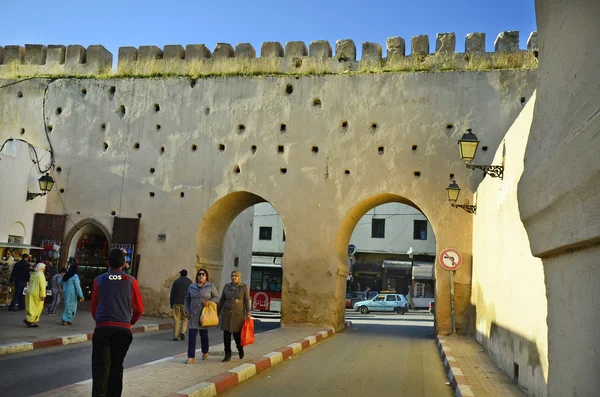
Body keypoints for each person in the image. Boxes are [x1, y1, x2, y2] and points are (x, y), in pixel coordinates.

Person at [90, 248, 143, 397]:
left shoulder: (99, 280)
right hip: (122, 330)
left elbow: (93, 306)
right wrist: (130, 322)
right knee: (116, 367)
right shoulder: (131, 281)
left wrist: (100, 320)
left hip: (102, 329)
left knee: (100, 368)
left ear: (108, 262)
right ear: (124, 263)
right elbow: (139, 308)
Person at [183, 268, 219, 363]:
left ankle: (205, 351)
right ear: (197, 276)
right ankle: (191, 357)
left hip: (204, 313)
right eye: (199, 274)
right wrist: (186, 309)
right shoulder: (191, 286)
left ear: (206, 276)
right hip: (193, 313)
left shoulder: (210, 286)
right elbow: (187, 299)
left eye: (203, 274)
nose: (201, 276)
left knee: (204, 335)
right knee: (192, 335)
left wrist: (209, 302)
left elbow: (216, 298)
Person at [217, 270, 251, 362]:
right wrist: (217, 312)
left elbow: (246, 300)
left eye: (236, 276)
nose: (234, 277)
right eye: (232, 276)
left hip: (238, 315)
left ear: (239, 277)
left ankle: (240, 349)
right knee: (226, 335)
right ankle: (227, 354)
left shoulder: (243, 287)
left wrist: (248, 312)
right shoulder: (227, 287)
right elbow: (222, 300)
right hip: (227, 314)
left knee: (237, 335)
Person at [170, 269, 192, 341]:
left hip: (176, 302)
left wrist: (171, 302)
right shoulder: (189, 282)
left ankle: (175, 336)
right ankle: (182, 332)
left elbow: (172, 292)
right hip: (185, 303)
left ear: (181, 274)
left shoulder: (176, 281)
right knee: (185, 318)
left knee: (176, 319)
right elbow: (191, 294)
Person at [60, 259, 85, 325]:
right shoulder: (75, 276)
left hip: (65, 294)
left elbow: (60, 284)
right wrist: (81, 296)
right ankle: (66, 319)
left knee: (67, 306)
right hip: (72, 294)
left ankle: (67, 319)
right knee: (72, 307)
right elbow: (78, 287)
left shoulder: (65, 275)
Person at [23, 263, 47, 327]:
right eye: (44, 267)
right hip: (37, 293)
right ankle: (31, 320)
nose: (45, 268)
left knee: (30, 306)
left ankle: (30, 320)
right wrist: (43, 295)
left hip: (30, 291)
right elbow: (42, 286)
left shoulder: (34, 274)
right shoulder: (41, 275)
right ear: (41, 268)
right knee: (37, 307)